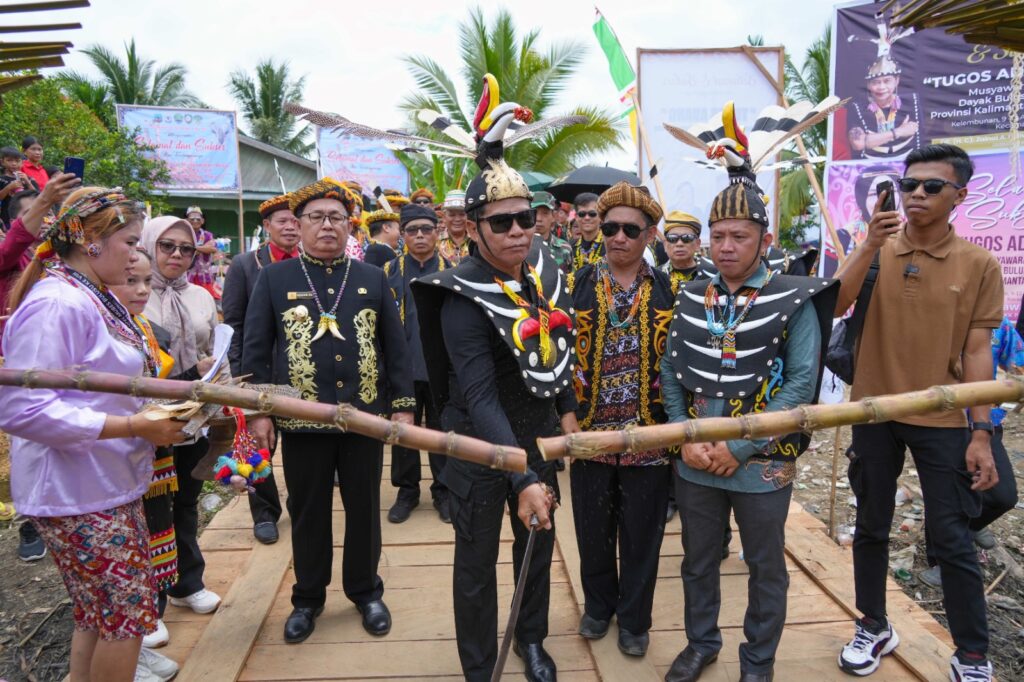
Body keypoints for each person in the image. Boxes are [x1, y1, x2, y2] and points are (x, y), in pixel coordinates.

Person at [0, 186, 187, 682]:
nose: (137, 254)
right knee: (125, 621)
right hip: (75, 491)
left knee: (97, 614)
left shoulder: (91, 295)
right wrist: (132, 425)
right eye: (130, 242)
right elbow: (23, 408)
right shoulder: (58, 304)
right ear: (91, 241)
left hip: (102, 481)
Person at [412, 116, 575, 682]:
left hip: (538, 434)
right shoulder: (460, 294)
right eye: (501, 222)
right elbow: (479, 395)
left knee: (537, 548)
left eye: (525, 218)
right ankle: (480, 666)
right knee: (477, 562)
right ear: (474, 227)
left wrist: (567, 414)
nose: (517, 232)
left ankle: (531, 639)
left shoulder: (542, 276)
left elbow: (557, 349)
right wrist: (519, 473)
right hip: (480, 444)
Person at [660, 168, 837, 682]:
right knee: (697, 560)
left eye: (739, 236)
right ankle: (701, 643)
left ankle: (758, 662)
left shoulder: (793, 298)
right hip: (695, 457)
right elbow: (671, 369)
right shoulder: (693, 295)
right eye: (718, 235)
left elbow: (799, 385)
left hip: (762, 462)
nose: (726, 246)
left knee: (765, 565)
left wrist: (739, 448)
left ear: (765, 239)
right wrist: (682, 432)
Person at [834, 144, 1003, 682]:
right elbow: (834, 305)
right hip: (874, 410)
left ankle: (971, 654)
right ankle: (873, 624)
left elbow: (978, 350)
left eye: (933, 186)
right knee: (871, 525)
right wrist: (869, 243)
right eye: (909, 185)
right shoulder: (876, 247)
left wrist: (981, 431)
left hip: (943, 414)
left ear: (960, 195)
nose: (917, 195)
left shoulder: (978, 264)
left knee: (951, 535)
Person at [241, 179, 415, 644]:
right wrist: (259, 412)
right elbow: (256, 351)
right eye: (316, 217)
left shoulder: (372, 277)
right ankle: (307, 598)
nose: (326, 226)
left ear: (349, 226)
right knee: (308, 511)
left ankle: (366, 591)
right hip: (300, 420)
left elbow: (395, 348)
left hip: (364, 417)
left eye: (336, 218)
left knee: (365, 509)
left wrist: (402, 407)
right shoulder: (274, 279)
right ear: (298, 225)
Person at [564, 182, 674, 657]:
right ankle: (597, 607)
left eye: (630, 230)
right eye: (610, 229)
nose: (618, 238)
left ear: (649, 235)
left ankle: (634, 619)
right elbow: (557, 353)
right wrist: (566, 413)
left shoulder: (668, 288)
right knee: (591, 528)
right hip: (590, 431)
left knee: (642, 535)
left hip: (649, 436)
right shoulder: (578, 282)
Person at [107, 250, 185, 680]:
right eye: (130, 281)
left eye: (146, 283)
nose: (140, 291)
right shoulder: (101, 325)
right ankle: (123, 656)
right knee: (115, 573)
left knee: (146, 547)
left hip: (145, 450)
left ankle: (135, 646)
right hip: (111, 455)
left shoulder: (139, 327)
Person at [142, 215, 223, 619]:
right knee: (153, 507)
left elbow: (214, 346)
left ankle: (187, 583)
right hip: (149, 417)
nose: (177, 254)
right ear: (147, 245)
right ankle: (151, 602)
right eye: (167, 245)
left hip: (195, 415)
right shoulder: (133, 291)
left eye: (186, 248)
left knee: (187, 500)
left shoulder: (201, 296)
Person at [918, 317, 1021, 588]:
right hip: (943, 422)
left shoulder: (1001, 326)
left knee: (1004, 496)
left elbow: (1018, 359)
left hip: (986, 423)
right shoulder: (938, 319)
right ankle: (940, 562)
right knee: (946, 495)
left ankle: (968, 527)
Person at [221, 194, 298, 545]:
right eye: (282, 221)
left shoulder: (309, 264)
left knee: (301, 445)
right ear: (267, 226)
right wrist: (239, 376)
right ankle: (264, 512)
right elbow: (233, 323)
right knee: (258, 442)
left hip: (298, 372)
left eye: (296, 221)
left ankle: (300, 503)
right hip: (258, 370)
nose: (290, 227)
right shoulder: (245, 265)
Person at [383, 203, 453, 523]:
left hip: (441, 368)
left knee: (442, 430)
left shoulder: (452, 270)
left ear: (437, 232)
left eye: (427, 229)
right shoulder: (388, 272)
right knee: (403, 430)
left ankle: (444, 490)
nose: (420, 235)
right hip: (402, 368)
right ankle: (407, 491)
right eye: (413, 230)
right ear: (403, 234)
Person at [660, 210, 710, 295]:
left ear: (698, 244)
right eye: (673, 238)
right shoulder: (654, 277)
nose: (679, 244)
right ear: (665, 245)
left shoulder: (713, 273)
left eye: (687, 238)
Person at [532, 190, 572, 273]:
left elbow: (570, 278)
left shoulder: (565, 249)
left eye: (545, 213)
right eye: (534, 212)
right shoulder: (519, 247)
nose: (538, 219)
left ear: (553, 216)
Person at [183, 206, 219, 296]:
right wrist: (204, 247)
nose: (195, 221)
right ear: (186, 221)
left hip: (204, 276)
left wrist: (193, 248)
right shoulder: (183, 234)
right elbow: (184, 249)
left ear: (202, 221)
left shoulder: (208, 235)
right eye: (192, 219)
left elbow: (213, 249)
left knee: (205, 298)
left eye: (198, 219)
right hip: (187, 275)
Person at [0, 146, 38, 227]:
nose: (14, 164)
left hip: (28, 217)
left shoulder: (29, 179)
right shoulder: (1, 179)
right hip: (7, 218)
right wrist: (9, 187)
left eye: (17, 161)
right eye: (9, 160)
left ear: (22, 163)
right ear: (2, 162)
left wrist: (28, 182)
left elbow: (37, 196)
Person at [571, 192, 604, 270]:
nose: (587, 218)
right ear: (576, 217)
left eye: (592, 214)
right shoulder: (570, 247)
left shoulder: (609, 245)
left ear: (600, 216)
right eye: (582, 214)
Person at [437, 190, 471, 264]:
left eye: (462, 214)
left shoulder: (477, 240)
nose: (457, 219)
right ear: (444, 217)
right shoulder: (435, 241)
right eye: (452, 215)